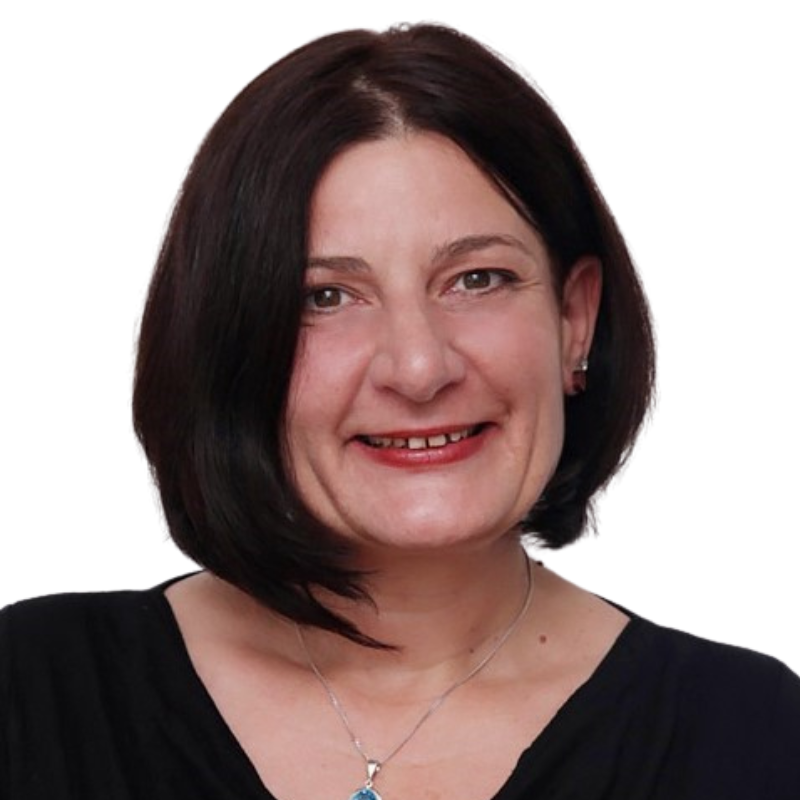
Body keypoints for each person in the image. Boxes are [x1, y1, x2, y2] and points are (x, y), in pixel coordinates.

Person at [1, 23, 798, 800]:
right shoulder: (30, 693)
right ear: (231, 343)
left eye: (477, 280)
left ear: (574, 320)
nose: (419, 369)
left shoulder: (753, 733)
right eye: (326, 296)